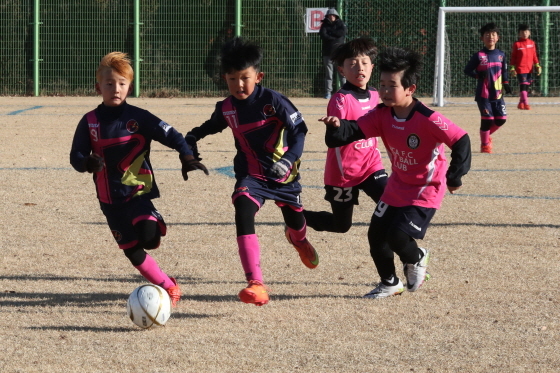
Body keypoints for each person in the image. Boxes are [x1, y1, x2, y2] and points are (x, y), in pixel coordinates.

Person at [319, 47, 471, 299]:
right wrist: (337, 126)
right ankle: (389, 283)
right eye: (382, 85)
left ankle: (418, 256)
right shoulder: (381, 115)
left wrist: (455, 176)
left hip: (425, 188)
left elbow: (461, 139)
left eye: (392, 86)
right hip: (397, 186)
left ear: (410, 89)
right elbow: (353, 131)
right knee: (375, 235)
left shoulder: (428, 118)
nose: (385, 91)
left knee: (397, 236)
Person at [184, 37, 319, 307]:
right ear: (225, 79)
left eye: (244, 78)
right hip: (251, 175)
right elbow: (212, 125)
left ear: (259, 76)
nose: (239, 85)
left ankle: (298, 240)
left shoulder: (274, 101)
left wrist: (289, 160)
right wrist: (190, 138)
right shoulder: (227, 108)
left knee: (296, 226)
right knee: (242, 210)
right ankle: (256, 283)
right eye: (232, 79)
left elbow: (299, 131)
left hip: (284, 177)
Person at [69, 52, 208, 307]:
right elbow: (76, 156)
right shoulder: (89, 122)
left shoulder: (139, 117)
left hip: (137, 192)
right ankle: (168, 285)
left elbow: (174, 136)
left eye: (122, 83)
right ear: (98, 86)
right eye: (109, 83)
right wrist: (87, 163)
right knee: (132, 250)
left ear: (129, 87)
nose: (116, 89)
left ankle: (155, 223)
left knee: (148, 237)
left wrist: (187, 156)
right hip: (108, 199)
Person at [303, 37, 387, 234]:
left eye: (365, 63)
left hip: (371, 166)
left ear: (372, 67)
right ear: (342, 70)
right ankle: (296, 218)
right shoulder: (340, 99)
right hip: (343, 174)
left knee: (392, 203)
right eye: (353, 64)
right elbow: (333, 140)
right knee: (341, 226)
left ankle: (398, 245)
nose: (360, 68)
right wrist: (335, 127)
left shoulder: (376, 94)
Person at [464, 22, 512, 154]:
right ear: (482, 38)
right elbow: (467, 70)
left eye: (493, 34)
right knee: (487, 120)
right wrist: (477, 75)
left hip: (497, 94)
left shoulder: (501, 55)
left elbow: (504, 71)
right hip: (483, 94)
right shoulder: (479, 55)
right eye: (487, 34)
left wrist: (506, 83)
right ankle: (485, 145)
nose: (490, 36)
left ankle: (486, 135)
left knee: (501, 119)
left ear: (498, 38)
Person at [510, 24, 541, 110]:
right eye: (522, 32)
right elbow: (513, 57)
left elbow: (534, 56)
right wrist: (512, 68)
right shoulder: (517, 44)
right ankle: (526, 103)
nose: (524, 33)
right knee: (523, 86)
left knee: (526, 86)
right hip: (520, 69)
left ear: (529, 33)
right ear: (519, 34)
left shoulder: (532, 43)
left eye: (526, 31)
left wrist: (537, 65)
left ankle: (521, 103)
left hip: (529, 69)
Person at [319, 8, 347, 99]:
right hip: (327, 54)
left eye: (333, 15)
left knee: (342, 73)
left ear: (336, 16)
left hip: (339, 54)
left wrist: (330, 34)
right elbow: (323, 35)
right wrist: (334, 36)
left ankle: (345, 91)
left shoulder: (341, 24)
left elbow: (341, 33)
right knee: (329, 75)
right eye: (330, 15)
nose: (331, 17)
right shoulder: (324, 25)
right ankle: (328, 92)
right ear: (327, 16)